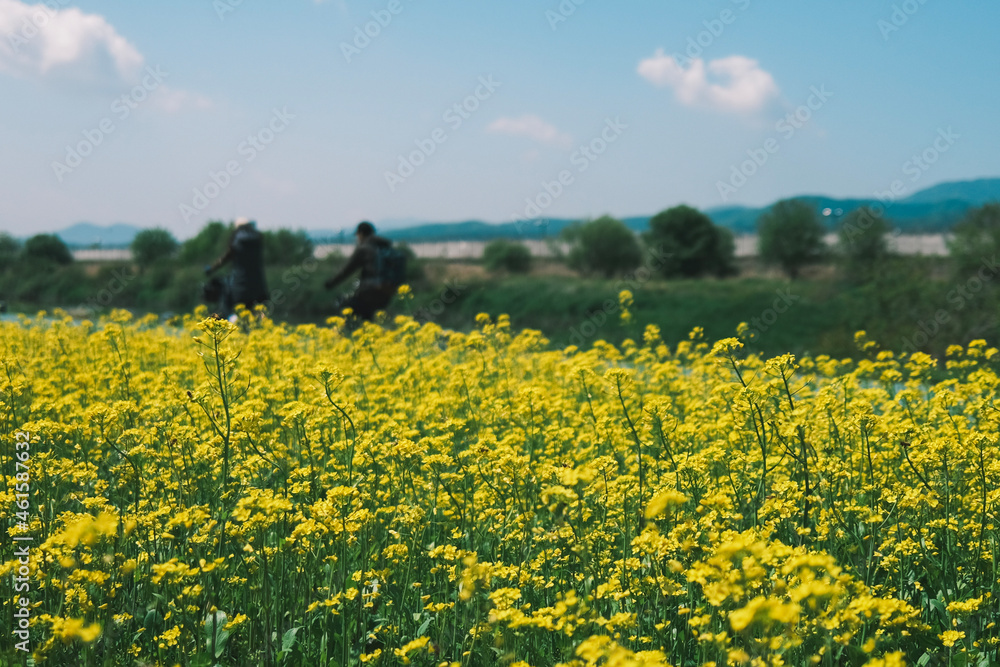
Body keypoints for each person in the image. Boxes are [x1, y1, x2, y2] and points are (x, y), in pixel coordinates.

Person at [324, 221, 396, 321]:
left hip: (370, 291)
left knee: (347, 310)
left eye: (357, 235)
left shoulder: (364, 249)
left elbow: (347, 271)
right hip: (387, 291)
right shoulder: (385, 247)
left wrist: (330, 283)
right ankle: (371, 333)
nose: (358, 238)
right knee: (366, 317)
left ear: (361, 234)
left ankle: (346, 334)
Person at [205, 218, 269, 317]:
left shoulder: (237, 240)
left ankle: (227, 324)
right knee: (257, 313)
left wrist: (211, 269)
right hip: (259, 287)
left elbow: (224, 259)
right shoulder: (258, 239)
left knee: (227, 307)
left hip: (238, 286)